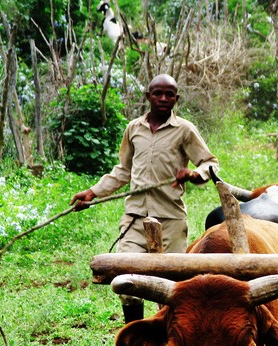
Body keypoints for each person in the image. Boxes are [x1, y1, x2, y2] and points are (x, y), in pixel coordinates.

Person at [71, 74, 219, 323]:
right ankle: (135, 336)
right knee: (126, 279)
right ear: (148, 96)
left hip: (170, 218)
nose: (163, 98)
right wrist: (93, 192)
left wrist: (194, 174)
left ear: (176, 98)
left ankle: (168, 338)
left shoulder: (184, 130)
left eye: (169, 94)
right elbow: (123, 170)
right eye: (158, 93)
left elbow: (210, 162)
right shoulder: (134, 129)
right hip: (135, 217)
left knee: (172, 286)